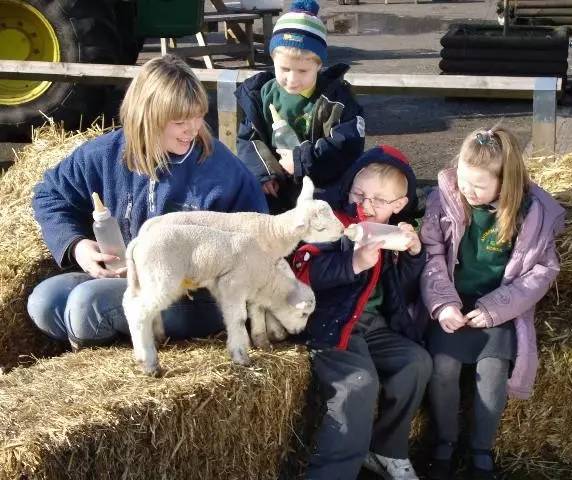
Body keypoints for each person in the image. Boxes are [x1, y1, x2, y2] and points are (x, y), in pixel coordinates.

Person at [27, 55, 267, 350]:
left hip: (197, 298)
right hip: (127, 277)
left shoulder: (224, 171)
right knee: (45, 301)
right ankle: (117, 333)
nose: (192, 129)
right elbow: (50, 195)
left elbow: (257, 241)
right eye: (180, 121)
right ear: (147, 117)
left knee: (87, 304)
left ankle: (116, 359)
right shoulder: (106, 154)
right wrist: (77, 246)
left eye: (198, 116)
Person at [419, 127, 565, 480]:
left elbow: (541, 272)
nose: (467, 190)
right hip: (454, 302)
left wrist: (495, 308)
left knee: (494, 372)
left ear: (506, 182)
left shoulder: (534, 213)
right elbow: (433, 256)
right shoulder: (446, 198)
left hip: (498, 305)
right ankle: (444, 443)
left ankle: (481, 449)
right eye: (464, 179)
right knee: (443, 368)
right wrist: (442, 305)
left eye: (479, 186)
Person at [291, 145, 432, 480]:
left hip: (374, 326)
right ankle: (331, 473)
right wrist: (351, 263)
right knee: (359, 385)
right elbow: (301, 269)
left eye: (379, 200)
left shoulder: (393, 230)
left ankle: (387, 448)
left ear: (398, 205)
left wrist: (412, 254)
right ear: (348, 187)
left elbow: (403, 288)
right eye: (359, 193)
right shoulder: (331, 221)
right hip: (332, 323)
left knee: (416, 362)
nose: (366, 205)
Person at [235, 0, 365, 214]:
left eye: (303, 71)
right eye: (284, 68)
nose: (292, 79)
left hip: (321, 186)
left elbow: (347, 145)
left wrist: (301, 162)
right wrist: (265, 173)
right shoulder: (261, 95)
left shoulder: (336, 100)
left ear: (319, 65)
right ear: (272, 59)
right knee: (255, 207)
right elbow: (249, 140)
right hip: (277, 185)